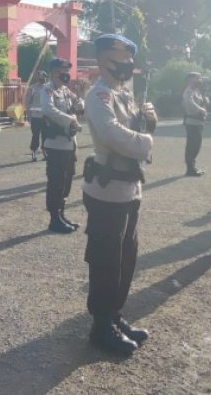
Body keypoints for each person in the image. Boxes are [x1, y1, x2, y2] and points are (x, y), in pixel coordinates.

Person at [82, 33, 157, 356]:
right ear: (102, 59)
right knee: (106, 260)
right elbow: (113, 135)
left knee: (127, 257)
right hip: (107, 191)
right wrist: (147, 140)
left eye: (128, 56)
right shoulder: (99, 96)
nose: (125, 61)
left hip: (130, 187)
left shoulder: (125, 95)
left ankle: (114, 314)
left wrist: (149, 122)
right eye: (118, 55)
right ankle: (101, 327)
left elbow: (137, 132)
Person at [41, 58, 84, 233]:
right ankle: (54, 219)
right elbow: (48, 109)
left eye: (67, 71)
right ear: (53, 72)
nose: (65, 74)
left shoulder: (66, 90)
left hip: (69, 143)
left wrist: (81, 103)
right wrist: (70, 119)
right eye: (62, 70)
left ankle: (61, 214)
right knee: (56, 182)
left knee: (67, 181)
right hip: (55, 144)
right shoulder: (48, 90)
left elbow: (78, 104)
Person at [182, 71, 208, 177]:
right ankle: (190, 169)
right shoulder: (188, 92)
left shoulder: (196, 91)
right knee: (192, 146)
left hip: (198, 122)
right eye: (197, 78)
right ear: (190, 80)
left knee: (197, 146)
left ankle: (193, 167)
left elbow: (202, 103)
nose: (199, 80)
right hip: (192, 122)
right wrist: (201, 110)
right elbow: (189, 103)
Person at [24, 70, 48, 161]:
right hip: (35, 116)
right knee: (35, 135)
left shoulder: (48, 88)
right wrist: (28, 115)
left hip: (46, 117)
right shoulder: (32, 88)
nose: (43, 79)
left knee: (46, 135)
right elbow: (27, 102)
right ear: (38, 78)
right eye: (41, 78)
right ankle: (34, 153)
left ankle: (45, 152)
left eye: (44, 78)